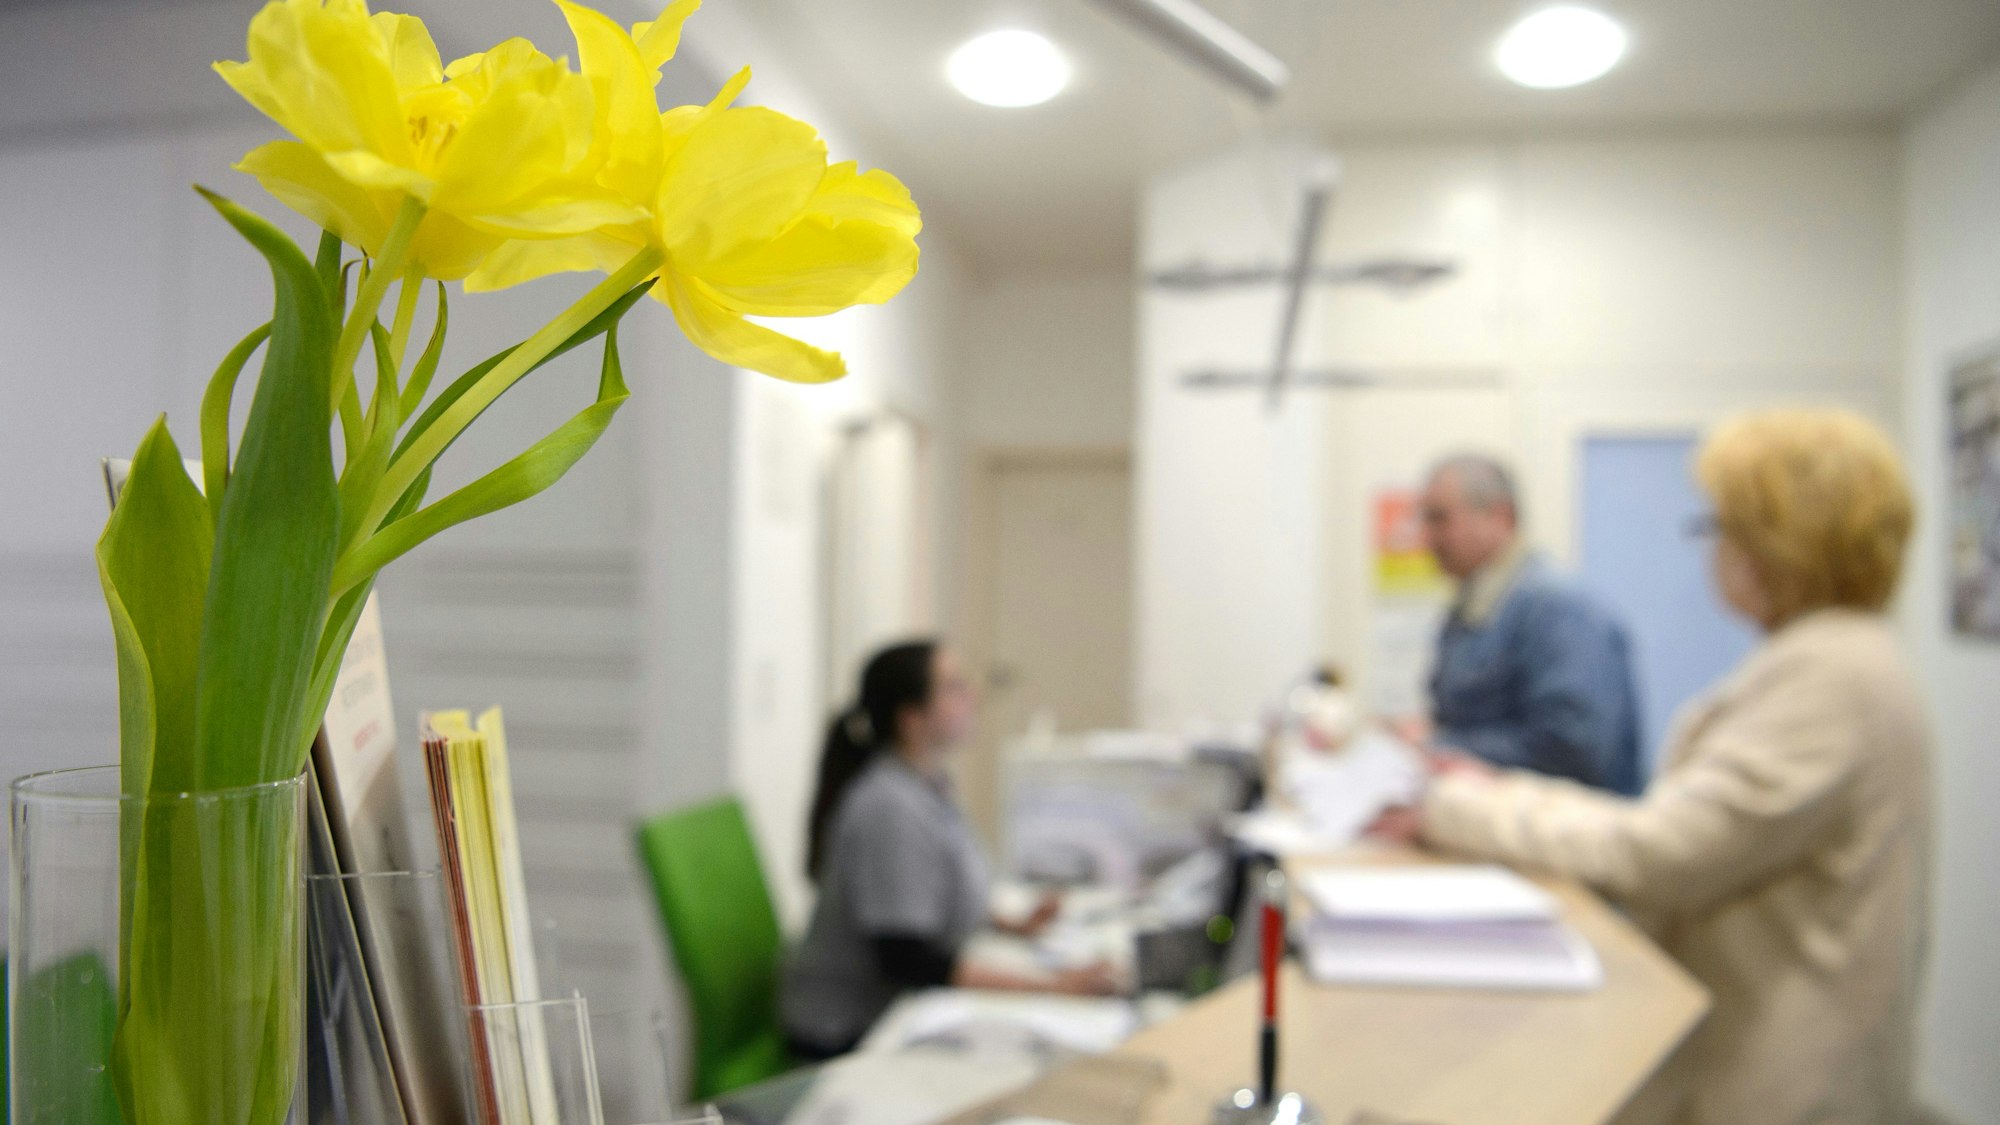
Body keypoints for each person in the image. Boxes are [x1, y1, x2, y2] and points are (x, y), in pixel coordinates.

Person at [1375, 409, 1930, 1125]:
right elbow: (1667, 823)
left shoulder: (1829, 677)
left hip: (1784, 1079)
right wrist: (1482, 794)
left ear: (1773, 541)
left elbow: (1660, 850)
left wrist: (1455, 804)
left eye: (1721, 527)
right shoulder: (1830, 659)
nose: (1713, 551)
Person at [782, 640, 1117, 1059]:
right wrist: (1053, 987)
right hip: (847, 1035)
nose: (973, 695)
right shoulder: (890, 807)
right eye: (954, 687)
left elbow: (936, 898)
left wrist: (1015, 926)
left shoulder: (925, 785)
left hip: (898, 1010)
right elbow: (908, 958)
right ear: (912, 718)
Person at [1409, 453, 1643, 794]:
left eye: (1439, 519)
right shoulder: (1470, 610)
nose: (1427, 538)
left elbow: (1575, 748)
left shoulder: (1561, 609)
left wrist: (1442, 747)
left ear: (1500, 516)